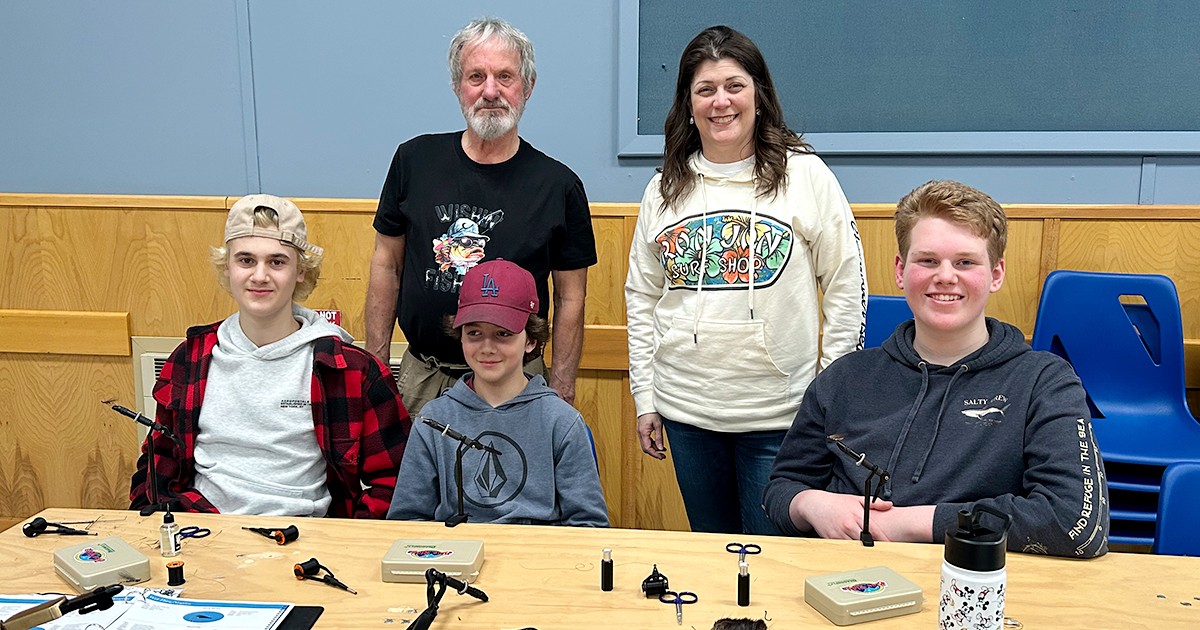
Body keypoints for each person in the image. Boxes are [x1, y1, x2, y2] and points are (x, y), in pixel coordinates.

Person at [763, 180, 1109, 558]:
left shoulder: (1044, 381)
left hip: (974, 583)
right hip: (846, 582)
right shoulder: (843, 379)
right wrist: (811, 504)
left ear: (996, 274)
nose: (945, 276)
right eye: (928, 260)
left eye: (965, 262)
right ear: (900, 270)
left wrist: (912, 523)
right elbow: (782, 488)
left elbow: (1074, 523)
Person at [625, 25, 867, 535]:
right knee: (714, 560)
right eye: (705, 89)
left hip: (781, 419)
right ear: (687, 103)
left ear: (759, 93)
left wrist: (829, 396)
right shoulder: (664, 188)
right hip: (687, 413)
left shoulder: (806, 176)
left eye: (734, 85)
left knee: (773, 565)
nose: (721, 102)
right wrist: (646, 399)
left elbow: (846, 285)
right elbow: (642, 298)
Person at [129, 194, 411, 518]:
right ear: (227, 268)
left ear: (301, 271)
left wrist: (345, 542)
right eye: (246, 260)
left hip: (304, 540)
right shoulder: (189, 359)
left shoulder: (351, 371)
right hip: (203, 531)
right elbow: (158, 461)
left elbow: (394, 482)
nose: (260, 276)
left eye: (277, 262)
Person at [366, 17, 596, 414]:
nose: (490, 91)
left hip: (518, 380)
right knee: (417, 477)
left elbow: (571, 295)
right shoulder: (413, 161)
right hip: (422, 378)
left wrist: (561, 383)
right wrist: (374, 366)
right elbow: (386, 265)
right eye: (476, 76)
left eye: (505, 76)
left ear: (528, 87)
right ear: (458, 87)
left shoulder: (559, 185)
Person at [387, 259, 608, 526]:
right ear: (460, 335)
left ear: (531, 341)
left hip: (536, 561)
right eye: (474, 333)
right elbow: (407, 519)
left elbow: (589, 525)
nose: (487, 347)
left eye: (503, 334)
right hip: (455, 560)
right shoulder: (432, 420)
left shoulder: (562, 421)